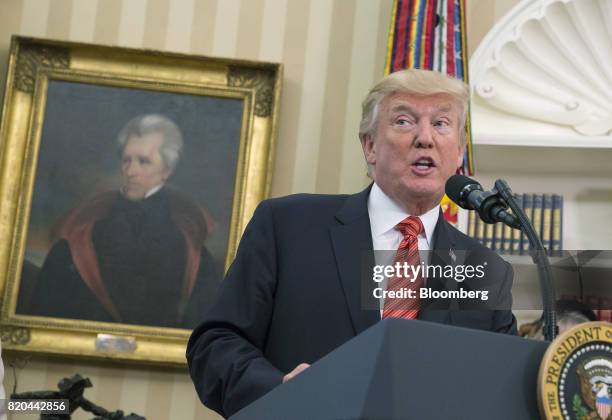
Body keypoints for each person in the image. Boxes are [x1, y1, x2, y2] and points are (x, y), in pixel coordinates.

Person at [187, 70, 517, 417]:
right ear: (370, 146)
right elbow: (214, 346)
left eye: (441, 124)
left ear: (459, 152)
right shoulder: (287, 226)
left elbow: (500, 390)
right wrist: (280, 391)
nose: (425, 138)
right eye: (404, 121)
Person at [28, 114, 220, 329]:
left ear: (167, 170)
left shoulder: (188, 239)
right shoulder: (85, 228)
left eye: (143, 162)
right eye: (126, 160)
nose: (130, 171)